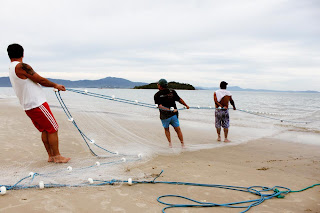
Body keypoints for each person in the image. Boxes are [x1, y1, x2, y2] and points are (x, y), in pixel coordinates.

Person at [7, 43, 70, 163]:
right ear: (23, 54)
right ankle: (57, 156)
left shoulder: (11, 67)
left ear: (9, 55)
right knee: (53, 128)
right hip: (37, 104)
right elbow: (40, 80)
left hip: (28, 105)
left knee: (46, 129)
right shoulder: (22, 66)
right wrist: (55, 85)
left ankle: (51, 156)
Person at [154, 79, 189, 148]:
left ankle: (170, 144)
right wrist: (186, 105)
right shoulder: (172, 91)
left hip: (165, 116)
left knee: (167, 129)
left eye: (158, 84)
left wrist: (169, 110)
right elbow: (179, 99)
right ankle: (182, 144)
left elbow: (160, 106)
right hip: (174, 115)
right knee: (178, 129)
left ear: (160, 86)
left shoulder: (157, 95)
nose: (157, 85)